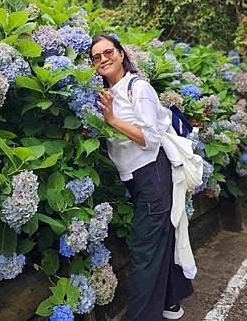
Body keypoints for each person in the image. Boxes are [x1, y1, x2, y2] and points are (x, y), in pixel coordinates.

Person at [91, 33, 194, 321]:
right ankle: (170, 303)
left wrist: (112, 120)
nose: (103, 59)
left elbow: (149, 138)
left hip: (153, 174)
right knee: (159, 240)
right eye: (96, 57)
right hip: (138, 179)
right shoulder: (104, 93)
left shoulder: (139, 88)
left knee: (144, 250)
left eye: (108, 52)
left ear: (121, 54)